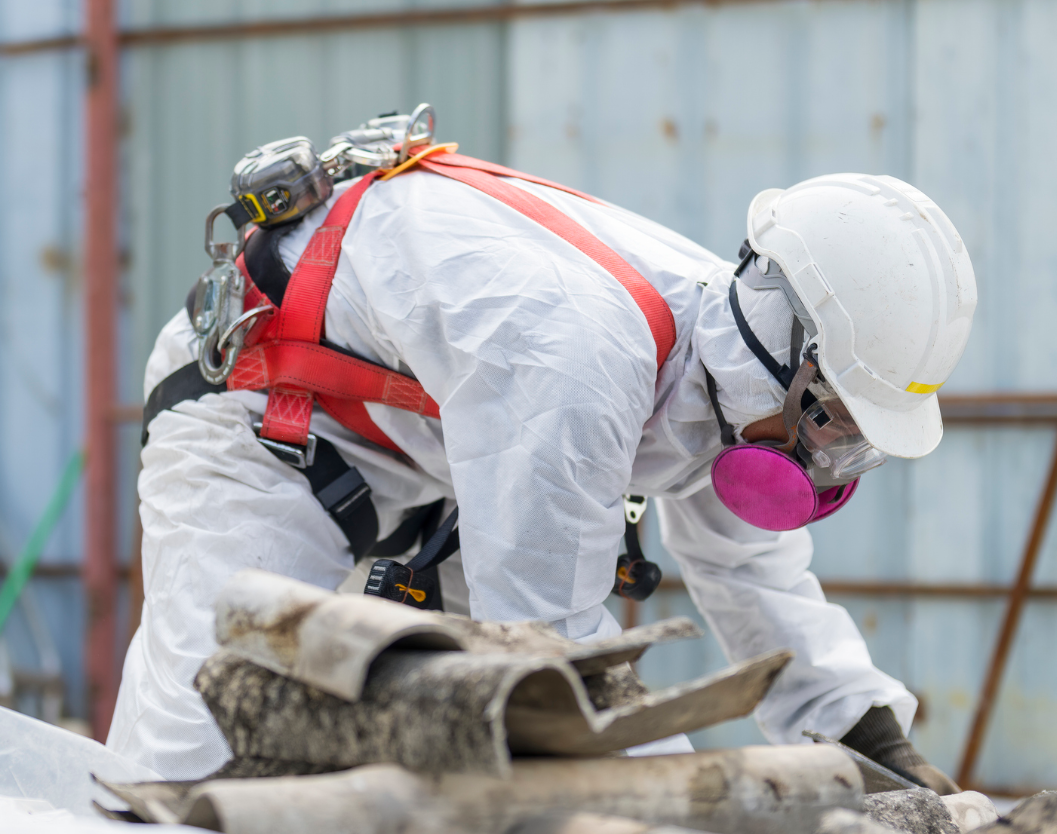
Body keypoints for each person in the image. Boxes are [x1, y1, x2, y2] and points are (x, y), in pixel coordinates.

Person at [107, 140, 978, 793]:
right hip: (264, 410)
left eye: (856, 444)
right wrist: (708, 801)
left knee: (448, 767)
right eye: (833, 424)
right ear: (788, 347)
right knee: (199, 755)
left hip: (433, 460)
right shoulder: (576, 352)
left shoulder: (726, 372)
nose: (827, 465)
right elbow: (549, 645)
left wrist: (867, 736)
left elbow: (751, 573)